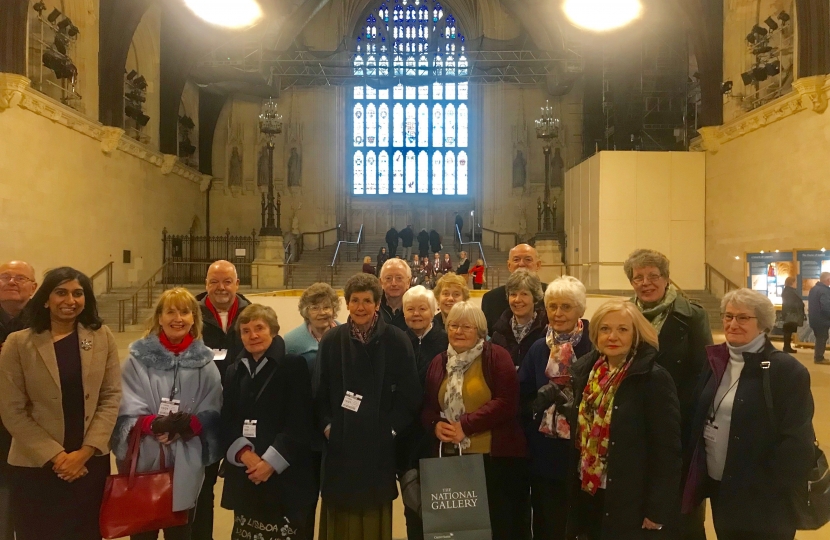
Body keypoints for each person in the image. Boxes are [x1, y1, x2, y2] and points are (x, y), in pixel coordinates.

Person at [682, 289, 815, 540]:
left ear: (763, 324)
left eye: (743, 318)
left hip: (765, 500)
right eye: (728, 316)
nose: (733, 324)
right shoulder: (715, 361)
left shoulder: (786, 371)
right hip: (721, 490)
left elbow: (798, 444)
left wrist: (767, 485)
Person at [0, 267, 121, 540]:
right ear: (45, 299)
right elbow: (12, 409)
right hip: (36, 464)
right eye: (61, 293)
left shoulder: (102, 337)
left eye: (78, 293)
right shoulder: (18, 343)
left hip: (89, 464)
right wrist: (58, 457)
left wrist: (86, 451)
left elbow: (111, 396)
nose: (71, 300)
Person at [315, 273, 421, 540]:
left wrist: (391, 431)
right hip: (340, 444)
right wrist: (328, 427)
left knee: (373, 518)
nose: (360, 307)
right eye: (354, 301)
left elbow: (410, 395)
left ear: (377, 304)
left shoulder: (397, 340)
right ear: (347, 303)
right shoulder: (331, 341)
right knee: (339, 516)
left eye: (366, 301)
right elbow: (320, 392)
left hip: (378, 446)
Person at [113, 288, 223, 540]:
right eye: (170, 311)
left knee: (181, 532)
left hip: (187, 457)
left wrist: (190, 424)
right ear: (159, 317)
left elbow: (214, 404)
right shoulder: (137, 360)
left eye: (185, 312)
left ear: (193, 319)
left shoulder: (205, 363)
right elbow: (126, 402)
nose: (178, 318)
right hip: (145, 458)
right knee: (143, 533)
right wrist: (154, 424)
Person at [568, 300, 681, 540]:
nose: (613, 336)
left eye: (622, 329)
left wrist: (657, 508)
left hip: (630, 496)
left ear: (636, 335)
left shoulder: (653, 378)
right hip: (587, 487)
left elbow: (667, 450)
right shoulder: (586, 372)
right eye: (605, 329)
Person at [422, 302, 530, 540]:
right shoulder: (439, 362)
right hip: (452, 460)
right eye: (453, 325)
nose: (458, 331)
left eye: (466, 327)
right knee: (458, 529)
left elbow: (507, 403)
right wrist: (434, 425)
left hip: (496, 461)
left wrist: (466, 426)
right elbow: (429, 406)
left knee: (498, 525)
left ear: (480, 330)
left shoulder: (497, 357)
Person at [624, 249, 711, 539]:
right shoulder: (625, 314)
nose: (646, 282)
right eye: (638, 277)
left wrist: (689, 417)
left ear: (666, 278)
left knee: (680, 498)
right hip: (635, 419)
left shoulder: (692, 315)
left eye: (653, 276)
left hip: (679, 419)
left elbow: (703, 372)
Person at [221, 305, 317, 540]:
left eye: (259, 328)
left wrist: (270, 463)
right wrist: (244, 454)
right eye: (245, 331)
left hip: (284, 476)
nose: (252, 335)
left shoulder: (292, 366)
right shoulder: (234, 371)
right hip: (247, 472)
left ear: (273, 330)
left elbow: (300, 421)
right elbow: (227, 420)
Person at [519, 276, 593, 540]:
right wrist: (536, 405)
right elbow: (522, 395)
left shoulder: (593, 345)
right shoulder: (539, 348)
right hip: (545, 451)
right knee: (547, 523)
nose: (558, 313)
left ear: (580, 310)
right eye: (552, 307)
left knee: (582, 524)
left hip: (584, 449)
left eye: (566, 307)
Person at [194, 260, 250, 540]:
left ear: (237, 284)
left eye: (227, 281)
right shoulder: (191, 314)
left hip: (242, 417)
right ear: (206, 285)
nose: (221, 287)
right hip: (202, 418)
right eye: (214, 281)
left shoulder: (252, 314)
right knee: (201, 488)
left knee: (243, 486)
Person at [284, 282, 341, 535]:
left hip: (336, 429)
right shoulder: (292, 343)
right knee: (304, 499)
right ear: (305, 311)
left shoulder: (346, 335)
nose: (322, 312)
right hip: (306, 432)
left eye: (327, 307)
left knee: (334, 497)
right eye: (315, 307)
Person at [399, 286, 449, 540]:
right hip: (406, 437)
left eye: (422, 308)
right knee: (413, 504)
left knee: (442, 502)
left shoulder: (446, 341)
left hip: (438, 435)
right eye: (410, 309)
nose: (416, 313)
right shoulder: (396, 340)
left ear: (434, 311)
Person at [0, 260, 37, 540]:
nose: (11, 282)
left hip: (31, 426)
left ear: (34, 288)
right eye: (5, 277)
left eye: (20, 278)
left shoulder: (44, 324)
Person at [491, 269, 549, 369]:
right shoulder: (498, 334)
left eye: (524, 294)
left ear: (535, 298)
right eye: (513, 294)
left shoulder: (546, 332)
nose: (517, 300)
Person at [482, 244, 546, 334]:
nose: (521, 264)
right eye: (516, 260)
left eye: (528, 259)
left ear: (538, 265)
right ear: (509, 265)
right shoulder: (491, 299)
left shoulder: (551, 295)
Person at [379, 258, 411, 331]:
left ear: (408, 282)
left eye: (399, 278)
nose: (394, 283)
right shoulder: (373, 308)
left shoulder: (417, 309)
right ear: (381, 282)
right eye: (388, 278)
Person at [808, 272, 830, 364]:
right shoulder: (825, 290)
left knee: (820, 338)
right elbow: (826, 306)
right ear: (828, 280)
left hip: (814, 319)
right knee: (822, 337)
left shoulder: (813, 289)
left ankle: (818, 356)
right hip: (822, 320)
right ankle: (819, 358)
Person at [781, 276, 804, 353]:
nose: (796, 284)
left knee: (789, 331)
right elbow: (790, 303)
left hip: (790, 314)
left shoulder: (788, 291)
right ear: (791, 283)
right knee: (788, 331)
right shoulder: (789, 292)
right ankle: (787, 347)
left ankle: (787, 346)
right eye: (795, 282)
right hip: (791, 314)